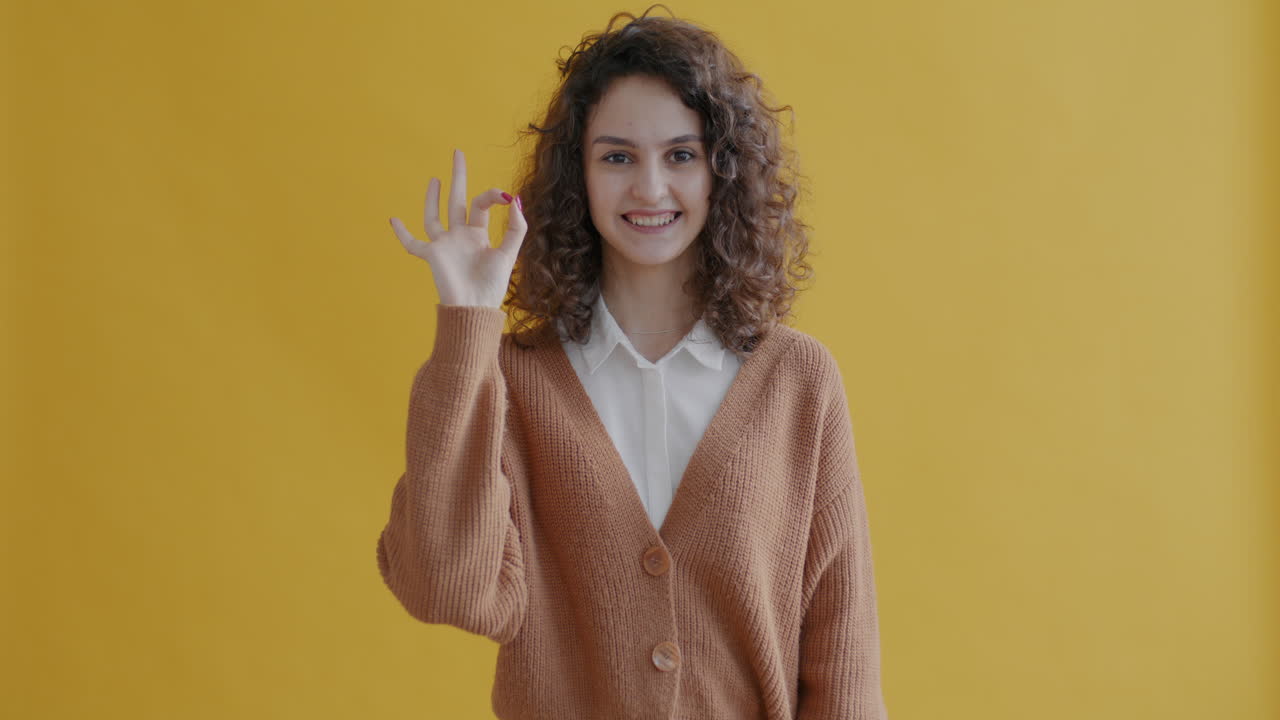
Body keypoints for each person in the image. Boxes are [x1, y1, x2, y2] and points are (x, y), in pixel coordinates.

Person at [377, 6, 888, 719]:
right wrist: (468, 322)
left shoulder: (797, 381)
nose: (649, 188)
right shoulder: (515, 380)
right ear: (577, 177)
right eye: (617, 157)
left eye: (680, 155)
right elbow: (445, 588)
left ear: (721, 171)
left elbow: (844, 665)